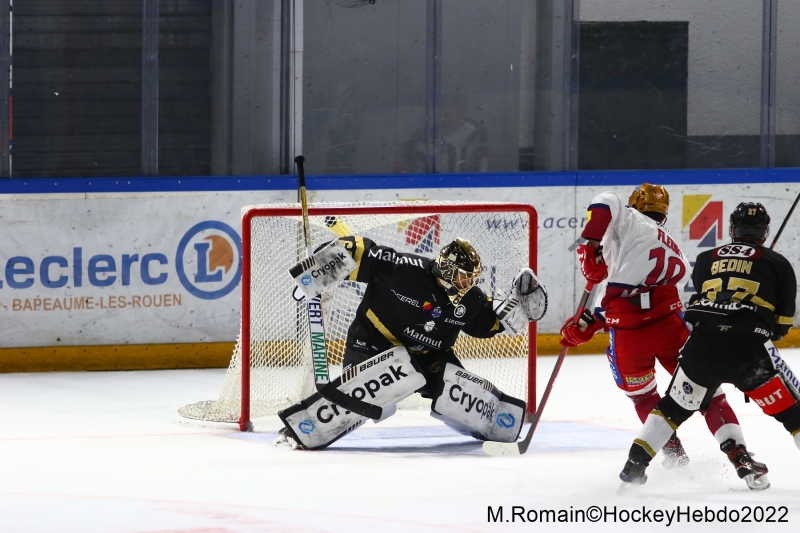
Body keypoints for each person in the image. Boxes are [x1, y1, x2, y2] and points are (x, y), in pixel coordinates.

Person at [276, 237, 548, 450]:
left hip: (429, 355)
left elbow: (486, 323)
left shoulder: (470, 298)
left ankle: (495, 420)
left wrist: (515, 313)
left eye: (471, 279)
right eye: (463, 277)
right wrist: (318, 267)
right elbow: (359, 250)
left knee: (456, 391)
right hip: (372, 343)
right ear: (447, 269)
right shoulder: (401, 268)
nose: (467, 284)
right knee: (364, 391)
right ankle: (303, 428)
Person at [561, 184, 753, 471]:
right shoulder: (675, 248)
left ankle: (675, 457)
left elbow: (604, 201)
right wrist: (594, 318)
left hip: (629, 336)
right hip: (671, 327)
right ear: (664, 213)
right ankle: (739, 455)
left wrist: (589, 247)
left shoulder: (627, 218)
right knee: (710, 395)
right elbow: (644, 289)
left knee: (642, 396)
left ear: (635, 205)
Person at [619, 202, 800, 491]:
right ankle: (741, 456)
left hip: (700, 348)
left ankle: (633, 468)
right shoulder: (778, 264)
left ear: (732, 229)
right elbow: (781, 328)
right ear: (765, 232)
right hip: (749, 352)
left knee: (670, 410)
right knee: (795, 416)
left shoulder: (706, 259)